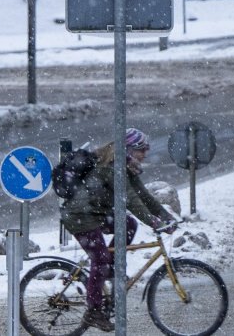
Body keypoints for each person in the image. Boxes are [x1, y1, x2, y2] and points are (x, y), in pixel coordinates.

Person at [60, 128, 177, 333]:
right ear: (129, 149)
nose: (145, 153)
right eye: (142, 149)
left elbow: (144, 196)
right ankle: (94, 311)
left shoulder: (126, 166)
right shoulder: (113, 168)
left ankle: (110, 269)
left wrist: (166, 216)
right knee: (101, 258)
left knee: (129, 224)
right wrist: (153, 222)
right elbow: (131, 200)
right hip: (81, 216)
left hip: (96, 213)